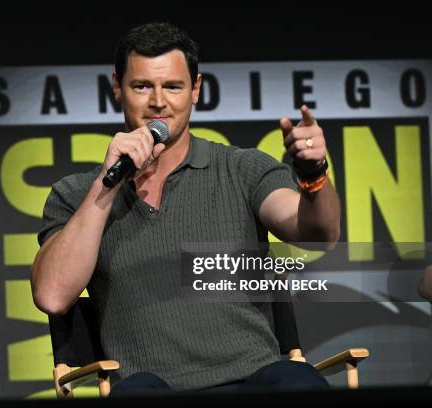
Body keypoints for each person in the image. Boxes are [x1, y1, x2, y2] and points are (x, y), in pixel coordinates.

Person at [32, 23, 340, 394]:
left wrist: (313, 175)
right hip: (151, 389)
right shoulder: (76, 194)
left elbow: (317, 233)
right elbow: (52, 295)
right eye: (141, 86)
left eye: (173, 87)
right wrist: (106, 185)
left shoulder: (242, 169)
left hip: (254, 382)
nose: (158, 102)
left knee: (296, 381)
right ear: (117, 87)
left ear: (195, 89)